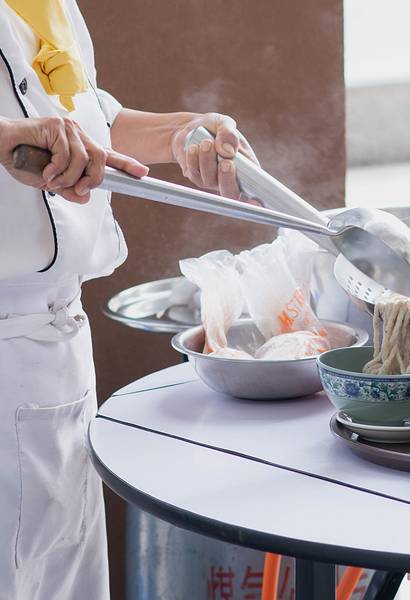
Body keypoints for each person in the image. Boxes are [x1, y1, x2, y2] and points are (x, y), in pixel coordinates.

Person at [0, 1, 259, 598]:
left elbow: (80, 112)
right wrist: (9, 138)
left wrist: (183, 132)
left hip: (57, 352)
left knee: (66, 575)